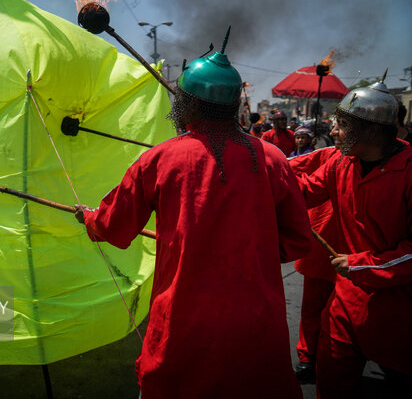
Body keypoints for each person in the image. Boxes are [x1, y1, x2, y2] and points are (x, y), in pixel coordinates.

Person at [74, 46, 313, 398]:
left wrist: (90, 218)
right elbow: (297, 240)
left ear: (191, 105)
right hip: (255, 319)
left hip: (183, 320)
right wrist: (247, 252)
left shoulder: (160, 159)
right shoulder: (273, 158)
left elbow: (113, 226)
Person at [297, 77, 412, 398]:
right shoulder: (340, 161)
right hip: (346, 301)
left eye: (342, 125)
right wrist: (254, 168)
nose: (333, 132)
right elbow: (303, 192)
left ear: (374, 131)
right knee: (332, 377)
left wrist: (363, 265)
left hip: (400, 308)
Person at [288, 146, 339, 384]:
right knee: (313, 308)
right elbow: (290, 170)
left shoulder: (404, 162)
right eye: (338, 125)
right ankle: (308, 359)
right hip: (325, 246)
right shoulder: (333, 156)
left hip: (369, 255)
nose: (338, 131)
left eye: (343, 125)